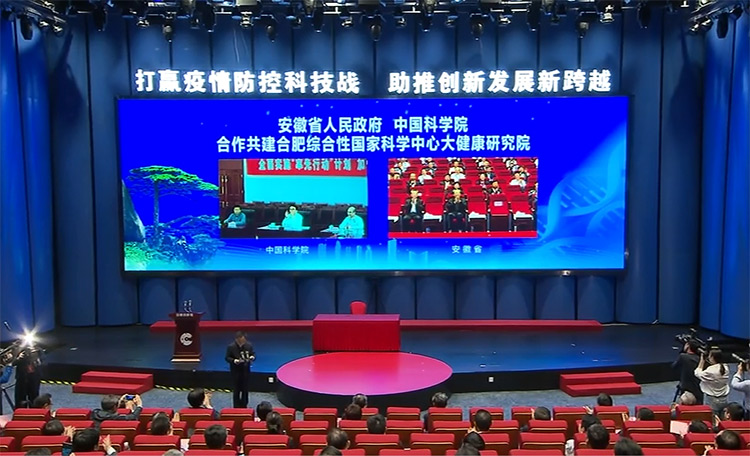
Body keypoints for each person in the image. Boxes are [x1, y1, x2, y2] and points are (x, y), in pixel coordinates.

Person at [695, 348, 730, 416]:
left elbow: (697, 373)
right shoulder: (725, 367)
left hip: (712, 399)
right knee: (723, 417)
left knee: (712, 418)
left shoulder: (710, 370)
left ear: (713, 357)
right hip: (724, 398)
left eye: (710, 356)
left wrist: (702, 360)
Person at [225, 331, 255, 408]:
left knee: (245, 388)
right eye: (242, 339)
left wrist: (252, 357)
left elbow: (253, 354)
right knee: (236, 389)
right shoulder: (231, 347)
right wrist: (234, 360)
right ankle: (236, 405)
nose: (244, 341)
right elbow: (227, 358)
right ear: (237, 339)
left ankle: (244, 404)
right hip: (236, 371)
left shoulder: (248, 345)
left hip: (245, 370)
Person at [673, 340, 704, 404]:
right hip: (698, 387)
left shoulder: (683, 356)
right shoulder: (700, 359)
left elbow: (674, 366)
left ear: (688, 346)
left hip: (685, 387)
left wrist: (683, 350)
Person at [13, 342, 42, 409]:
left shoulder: (38, 350)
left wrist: (36, 358)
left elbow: (42, 361)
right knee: (20, 398)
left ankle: (34, 412)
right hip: (21, 378)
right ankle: (20, 413)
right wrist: (18, 358)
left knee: (34, 397)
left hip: (34, 378)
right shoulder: (19, 350)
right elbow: (13, 363)